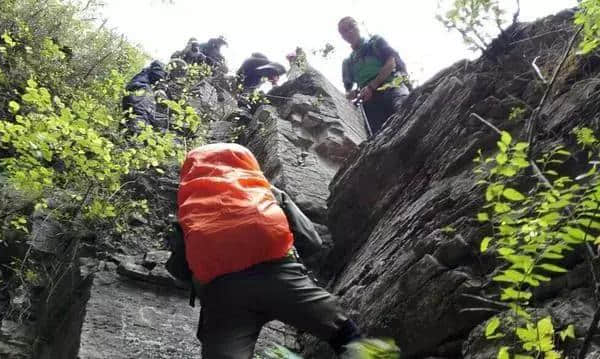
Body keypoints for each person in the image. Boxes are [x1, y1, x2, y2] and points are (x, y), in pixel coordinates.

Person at [175, 143, 400, 359]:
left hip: (222, 295)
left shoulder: (191, 207)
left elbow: (180, 269)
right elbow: (311, 240)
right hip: (280, 273)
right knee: (340, 331)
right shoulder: (264, 190)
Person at [338, 16, 410, 135]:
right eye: (344, 31)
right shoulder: (348, 62)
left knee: (407, 110)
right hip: (370, 103)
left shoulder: (375, 42)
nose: (349, 32)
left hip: (392, 87)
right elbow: (348, 94)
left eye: (351, 26)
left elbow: (391, 63)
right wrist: (357, 93)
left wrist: (371, 86)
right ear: (343, 37)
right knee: (381, 135)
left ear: (357, 26)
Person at [121, 60, 168, 134]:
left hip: (134, 92)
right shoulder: (144, 81)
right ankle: (134, 139)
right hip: (139, 90)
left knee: (130, 119)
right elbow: (140, 111)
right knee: (139, 117)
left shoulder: (143, 78)